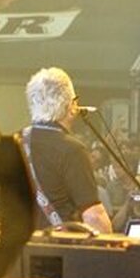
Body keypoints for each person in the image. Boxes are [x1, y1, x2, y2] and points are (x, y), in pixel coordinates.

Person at [21, 67, 112, 234]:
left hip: (16, 245)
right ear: (71, 106)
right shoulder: (72, 149)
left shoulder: (13, 142)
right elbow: (94, 217)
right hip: (55, 245)